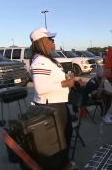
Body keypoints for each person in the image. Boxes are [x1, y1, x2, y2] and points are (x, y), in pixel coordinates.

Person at [29, 28, 76, 170]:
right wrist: (65, 83)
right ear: (42, 42)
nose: (53, 41)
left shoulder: (47, 59)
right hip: (50, 106)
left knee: (65, 135)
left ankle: (64, 164)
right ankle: (60, 166)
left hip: (58, 103)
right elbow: (40, 88)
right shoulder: (40, 62)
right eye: (50, 39)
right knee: (57, 141)